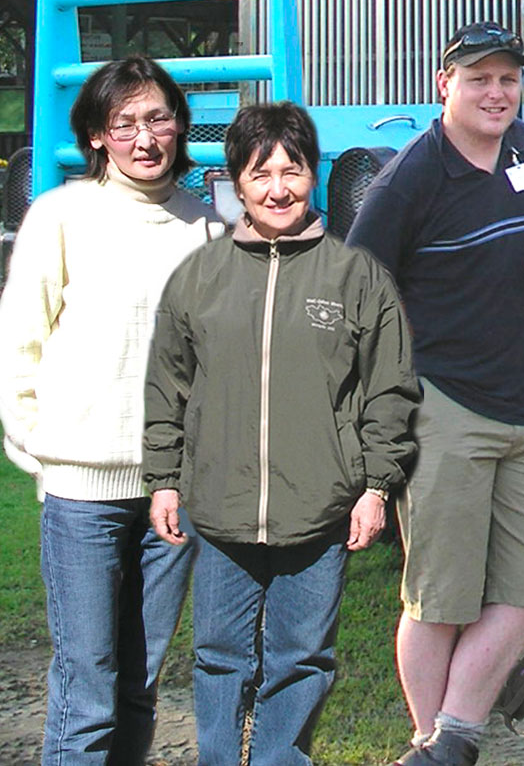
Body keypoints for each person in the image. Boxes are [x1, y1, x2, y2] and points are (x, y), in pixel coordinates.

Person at [346, 22, 524, 766]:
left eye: (508, 79)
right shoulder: (410, 178)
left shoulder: (523, 148)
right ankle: (434, 741)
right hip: (444, 405)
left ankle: (449, 740)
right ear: (443, 84)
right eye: (479, 78)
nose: (496, 93)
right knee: (439, 598)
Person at [145, 102, 418, 765]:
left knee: (301, 660)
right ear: (236, 181)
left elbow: (390, 390)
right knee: (219, 657)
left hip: (320, 511)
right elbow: (166, 386)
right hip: (221, 510)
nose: (277, 189)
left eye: (291, 171)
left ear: (312, 175)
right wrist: (164, 480)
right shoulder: (199, 276)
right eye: (259, 173)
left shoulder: (356, 277)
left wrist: (376, 487)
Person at [0, 54, 227, 766]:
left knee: (139, 683)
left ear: (180, 125)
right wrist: (44, 448)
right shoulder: (60, 215)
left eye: (158, 118)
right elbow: (17, 346)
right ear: (96, 134)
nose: (144, 138)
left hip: (172, 495)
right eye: (124, 123)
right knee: (86, 687)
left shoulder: (207, 229)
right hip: (82, 493)